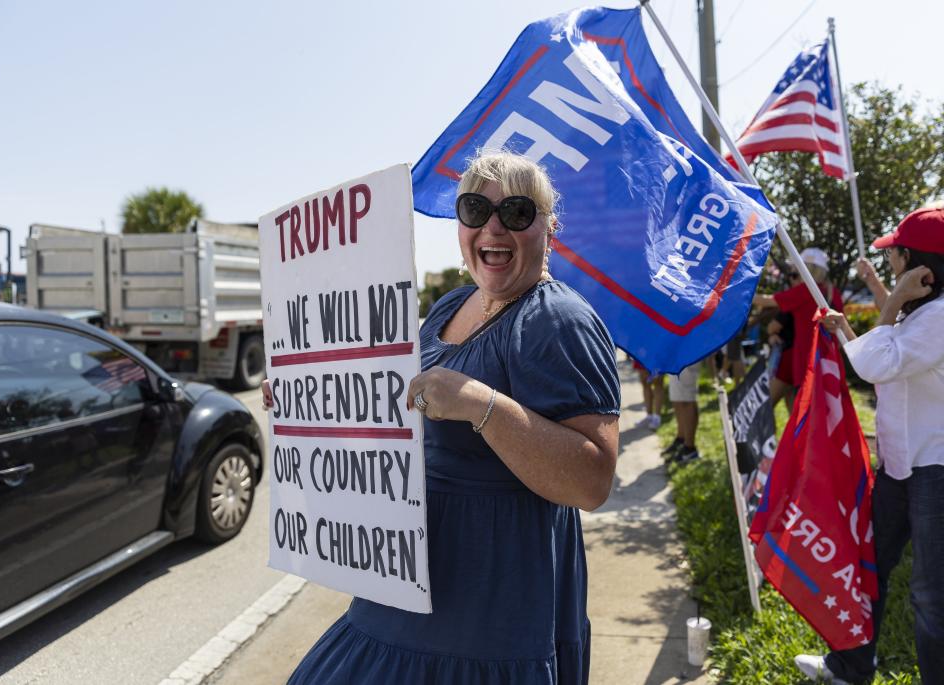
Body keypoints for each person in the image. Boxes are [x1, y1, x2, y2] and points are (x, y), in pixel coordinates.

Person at [269, 152, 621, 684]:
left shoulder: (558, 319)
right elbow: (403, 412)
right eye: (475, 210)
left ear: (550, 227)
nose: (493, 228)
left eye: (518, 213)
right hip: (411, 580)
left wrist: (481, 404)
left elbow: (592, 480)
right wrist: (306, 400)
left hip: (487, 603)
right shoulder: (451, 305)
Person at [796, 205, 944, 684]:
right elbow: (887, 368)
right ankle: (849, 666)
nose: (890, 264)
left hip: (932, 474)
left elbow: (876, 366)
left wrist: (893, 299)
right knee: (868, 571)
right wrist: (847, 331)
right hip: (901, 469)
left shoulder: (937, 318)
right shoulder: (922, 317)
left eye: (895, 256)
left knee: (929, 596)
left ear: (918, 264)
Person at [753, 247, 843, 395]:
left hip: (807, 362)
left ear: (805, 269)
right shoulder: (833, 292)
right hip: (829, 362)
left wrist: (739, 295)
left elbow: (767, 301)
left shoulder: (804, 291)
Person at [662, 361, 701, 463]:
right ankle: (681, 439)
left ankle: (690, 448)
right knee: (677, 397)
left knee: (686, 399)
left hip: (686, 350)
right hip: (675, 351)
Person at [635, 359, 664, 429]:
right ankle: (649, 416)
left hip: (658, 353)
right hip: (642, 351)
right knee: (645, 383)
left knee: (658, 383)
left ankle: (657, 417)